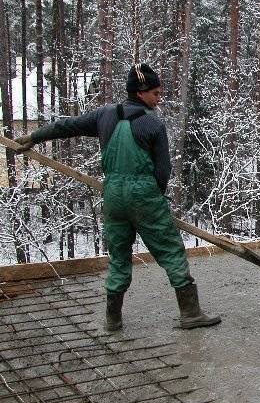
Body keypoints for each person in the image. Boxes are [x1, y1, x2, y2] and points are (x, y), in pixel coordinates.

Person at [14, 64, 221, 332]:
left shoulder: (104, 115)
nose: (159, 98)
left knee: (119, 257)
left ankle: (113, 319)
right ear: (141, 92)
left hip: (112, 195)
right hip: (144, 194)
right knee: (170, 251)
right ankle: (191, 313)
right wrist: (153, 200)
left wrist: (34, 136)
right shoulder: (152, 123)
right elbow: (163, 170)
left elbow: (68, 126)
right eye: (156, 93)